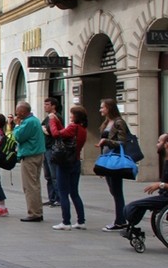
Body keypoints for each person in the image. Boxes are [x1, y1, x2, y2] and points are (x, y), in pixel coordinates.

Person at [48, 105, 89, 230]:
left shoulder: (73, 127)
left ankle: (66, 222)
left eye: (71, 114)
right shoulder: (82, 128)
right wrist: (58, 121)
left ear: (76, 116)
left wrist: (52, 121)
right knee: (74, 192)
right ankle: (81, 221)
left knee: (63, 192)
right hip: (75, 161)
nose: (70, 116)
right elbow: (63, 133)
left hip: (65, 162)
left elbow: (56, 134)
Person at [121, 133, 168, 239]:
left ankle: (132, 225)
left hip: (166, 198)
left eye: (159, 142)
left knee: (134, 206)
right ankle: (132, 225)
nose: (156, 144)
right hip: (164, 196)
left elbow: (164, 184)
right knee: (136, 206)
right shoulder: (166, 161)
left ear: (166, 144)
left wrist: (161, 185)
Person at [96, 98, 131, 231]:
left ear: (109, 108)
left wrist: (107, 141)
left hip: (116, 160)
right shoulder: (107, 122)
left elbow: (123, 142)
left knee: (116, 191)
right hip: (107, 159)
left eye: (102, 107)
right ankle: (120, 218)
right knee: (113, 190)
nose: (100, 110)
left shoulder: (118, 122)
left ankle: (120, 221)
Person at [13, 101, 47, 222]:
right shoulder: (35, 120)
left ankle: (34, 213)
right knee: (35, 184)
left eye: (17, 112)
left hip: (30, 156)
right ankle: (37, 210)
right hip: (37, 154)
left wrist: (16, 126)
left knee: (30, 186)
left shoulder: (28, 122)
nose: (16, 114)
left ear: (22, 111)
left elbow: (18, 136)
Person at [41, 97, 62, 207]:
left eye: (47, 104)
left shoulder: (55, 117)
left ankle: (59, 198)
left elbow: (51, 131)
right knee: (48, 175)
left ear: (53, 106)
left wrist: (44, 129)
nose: (45, 106)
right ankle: (52, 197)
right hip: (46, 148)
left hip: (52, 148)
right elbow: (42, 126)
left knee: (54, 175)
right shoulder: (47, 117)